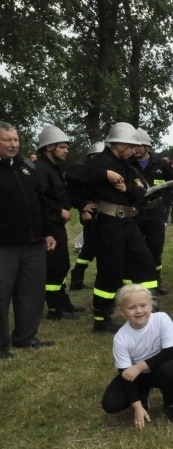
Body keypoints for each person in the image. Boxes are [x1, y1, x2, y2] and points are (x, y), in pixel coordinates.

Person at [68, 122, 160, 333]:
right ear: (118, 144)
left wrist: (126, 188)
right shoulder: (99, 163)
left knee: (145, 263)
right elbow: (72, 176)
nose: (134, 150)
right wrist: (101, 179)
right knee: (110, 271)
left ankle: (152, 312)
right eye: (130, 146)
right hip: (108, 224)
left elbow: (140, 194)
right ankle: (101, 318)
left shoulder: (128, 167)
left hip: (128, 223)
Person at [0, 121, 56, 358]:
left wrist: (48, 232)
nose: (14, 145)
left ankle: (25, 336)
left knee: (31, 292)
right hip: (4, 246)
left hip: (33, 243)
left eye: (16, 140)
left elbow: (40, 202)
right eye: (7, 140)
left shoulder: (27, 167)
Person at [100, 285, 173, 428]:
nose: (139, 311)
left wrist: (139, 367)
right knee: (110, 404)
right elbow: (126, 374)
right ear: (122, 312)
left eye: (143, 305)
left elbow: (169, 353)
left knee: (169, 367)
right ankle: (142, 394)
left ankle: (170, 405)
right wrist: (137, 407)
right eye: (132, 308)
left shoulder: (162, 319)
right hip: (136, 376)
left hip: (159, 369)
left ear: (151, 305)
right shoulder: (121, 338)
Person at [35, 125, 84, 320]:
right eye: (62, 147)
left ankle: (63, 302)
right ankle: (55, 308)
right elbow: (39, 198)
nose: (66, 150)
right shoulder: (41, 169)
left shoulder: (52, 168)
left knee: (62, 265)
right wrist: (59, 210)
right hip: (50, 224)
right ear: (49, 148)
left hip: (57, 224)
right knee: (55, 266)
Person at [130, 128, 173, 295]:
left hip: (155, 214)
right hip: (134, 213)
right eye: (133, 146)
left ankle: (155, 281)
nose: (136, 149)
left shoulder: (160, 165)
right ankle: (136, 283)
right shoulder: (127, 164)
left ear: (147, 147)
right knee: (135, 249)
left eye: (139, 146)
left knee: (155, 248)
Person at [65, 141, 105, 290]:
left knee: (102, 248)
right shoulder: (83, 172)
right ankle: (76, 281)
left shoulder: (107, 171)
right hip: (92, 215)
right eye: (97, 156)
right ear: (91, 156)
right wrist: (83, 207)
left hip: (107, 215)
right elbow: (73, 192)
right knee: (90, 248)